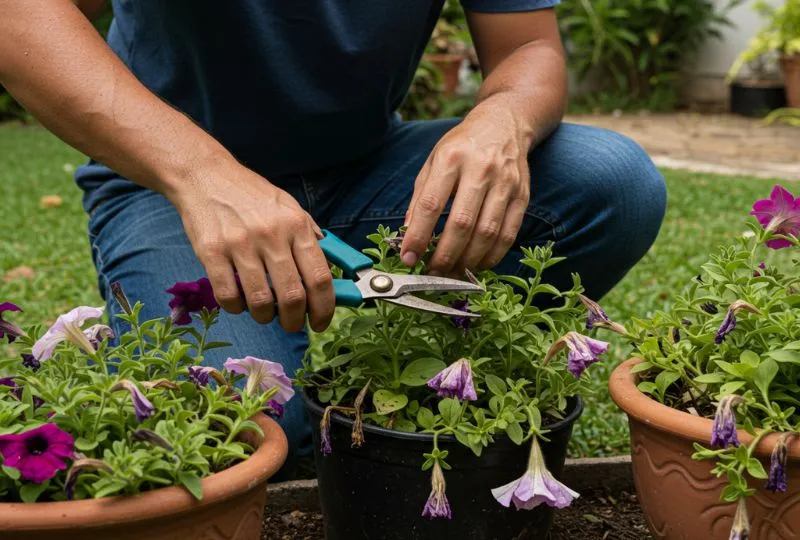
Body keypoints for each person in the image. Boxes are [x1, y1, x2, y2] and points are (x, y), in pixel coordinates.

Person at [0, 1, 666, 467]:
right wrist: (202, 173)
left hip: (371, 170)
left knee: (609, 182)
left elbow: (527, 45)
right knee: (254, 422)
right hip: (169, 183)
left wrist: (506, 118)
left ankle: (413, 369)